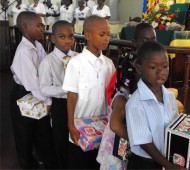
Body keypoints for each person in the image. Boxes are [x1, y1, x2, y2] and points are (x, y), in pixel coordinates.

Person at [62, 15, 116, 169]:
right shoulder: (76, 63)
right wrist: (71, 124)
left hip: (101, 128)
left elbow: (111, 94)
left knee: (96, 163)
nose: (106, 38)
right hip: (80, 128)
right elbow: (71, 95)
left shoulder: (109, 64)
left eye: (108, 34)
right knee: (79, 162)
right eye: (102, 34)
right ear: (87, 35)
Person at [126, 41, 186, 170]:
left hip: (166, 160)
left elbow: (173, 128)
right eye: (153, 67)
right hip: (145, 164)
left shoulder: (169, 96)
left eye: (165, 66)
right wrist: (168, 166)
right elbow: (144, 142)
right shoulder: (136, 104)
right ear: (139, 68)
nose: (161, 73)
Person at [10, 11, 57, 169]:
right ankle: (28, 165)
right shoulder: (23, 51)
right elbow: (32, 83)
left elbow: (45, 70)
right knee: (24, 135)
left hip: (38, 94)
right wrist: (48, 100)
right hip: (24, 94)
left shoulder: (37, 45)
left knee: (42, 131)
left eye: (43, 25)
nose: (42, 28)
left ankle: (48, 160)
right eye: (38, 25)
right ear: (25, 26)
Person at [39, 20, 78, 169]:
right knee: (61, 139)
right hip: (61, 105)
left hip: (78, 104)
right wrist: (68, 88)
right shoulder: (47, 62)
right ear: (53, 39)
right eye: (62, 37)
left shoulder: (78, 57)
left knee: (76, 139)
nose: (68, 40)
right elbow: (44, 88)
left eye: (71, 36)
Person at [97, 54, 137, 170]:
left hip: (120, 148)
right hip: (114, 151)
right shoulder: (122, 99)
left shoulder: (130, 95)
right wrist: (137, 139)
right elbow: (115, 125)